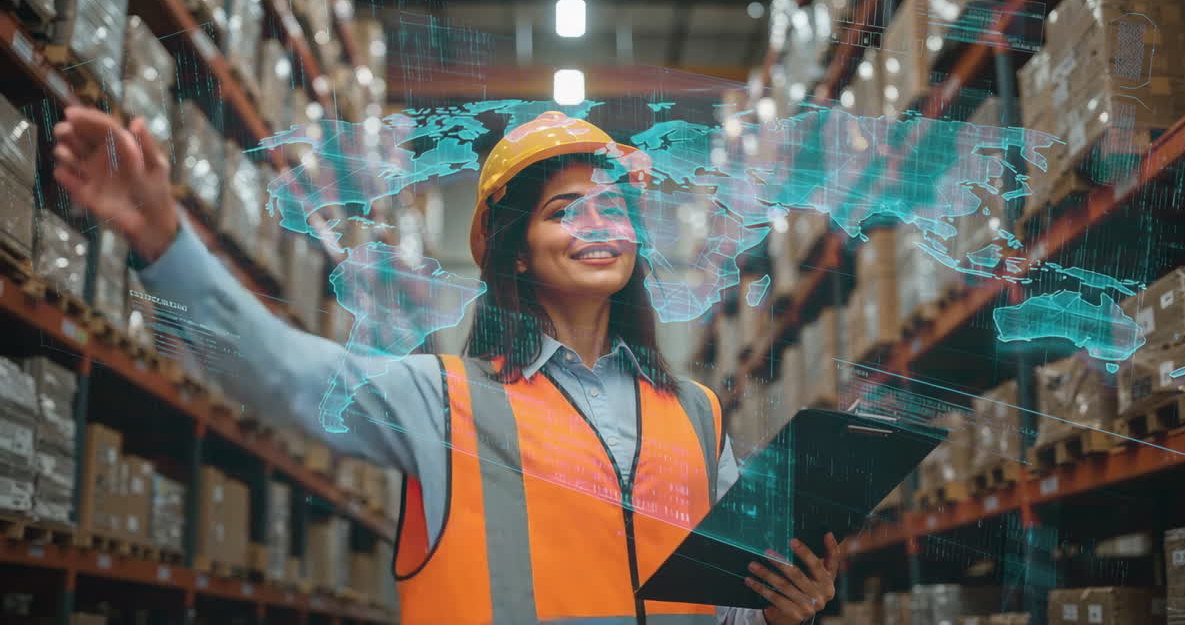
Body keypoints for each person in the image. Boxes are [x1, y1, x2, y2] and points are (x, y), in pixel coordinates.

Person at [52, 106, 846, 624]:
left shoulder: (699, 417)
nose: (597, 226)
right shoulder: (445, 400)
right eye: (564, 211)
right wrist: (164, 242)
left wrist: (782, 607)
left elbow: (728, 608)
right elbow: (283, 375)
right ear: (516, 252)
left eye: (613, 207)